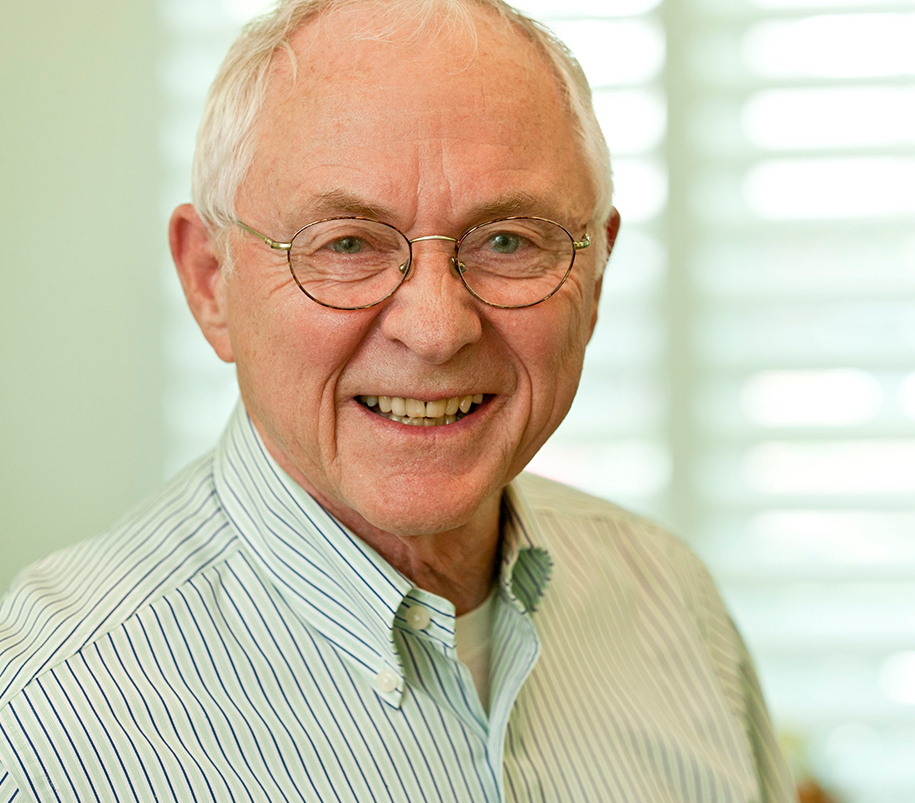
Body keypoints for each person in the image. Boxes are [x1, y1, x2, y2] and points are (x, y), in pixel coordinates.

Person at [0, 1, 793, 799]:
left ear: (595, 276)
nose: (438, 330)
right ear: (211, 282)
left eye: (508, 240)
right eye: (347, 243)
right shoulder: (39, 729)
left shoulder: (676, 607)